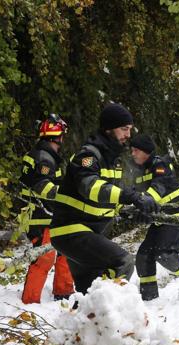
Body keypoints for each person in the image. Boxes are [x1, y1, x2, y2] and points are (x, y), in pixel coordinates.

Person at [50, 103, 157, 294]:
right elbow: (90, 188)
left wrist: (134, 215)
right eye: (124, 129)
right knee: (123, 262)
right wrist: (131, 196)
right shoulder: (88, 155)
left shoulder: (111, 161)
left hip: (88, 233)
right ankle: (115, 309)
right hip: (72, 230)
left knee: (91, 295)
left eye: (130, 129)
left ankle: (86, 320)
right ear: (108, 129)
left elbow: (108, 203)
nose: (128, 135)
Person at [129, 134, 179, 300]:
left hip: (175, 215)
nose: (133, 154)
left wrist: (145, 204)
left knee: (165, 254)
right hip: (160, 218)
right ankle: (149, 297)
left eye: (136, 150)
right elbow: (135, 194)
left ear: (146, 152)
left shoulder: (160, 165)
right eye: (132, 150)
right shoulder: (138, 170)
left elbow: (158, 188)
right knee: (144, 256)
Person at [20, 114, 74, 303]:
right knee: (44, 257)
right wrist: (69, 197)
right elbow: (44, 187)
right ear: (58, 135)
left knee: (66, 251)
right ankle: (30, 301)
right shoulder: (44, 158)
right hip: (41, 216)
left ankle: (64, 292)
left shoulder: (45, 155)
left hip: (50, 215)